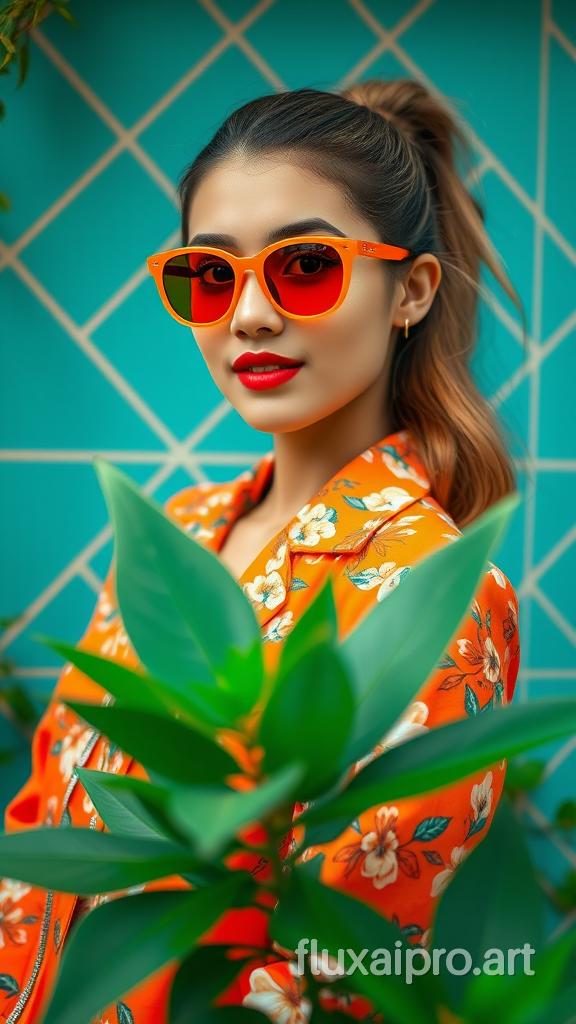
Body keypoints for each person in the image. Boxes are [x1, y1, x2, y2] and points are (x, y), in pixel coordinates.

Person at [1, 78, 523, 1024]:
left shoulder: (434, 592)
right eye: (210, 274)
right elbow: (43, 819)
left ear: (410, 289)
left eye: (304, 265)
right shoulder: (177, 538)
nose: (246, 315)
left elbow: (344, 973)